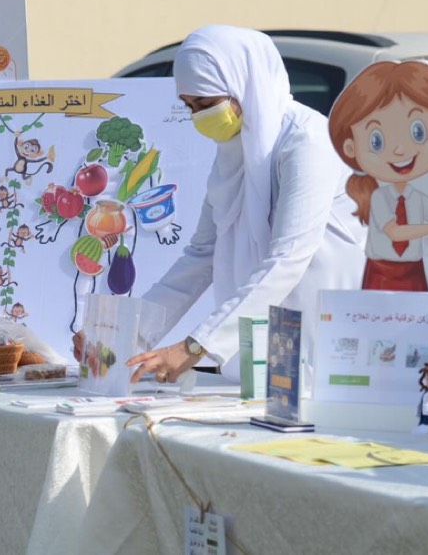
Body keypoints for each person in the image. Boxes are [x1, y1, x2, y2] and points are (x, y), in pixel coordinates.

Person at [97, 24, 366, 384]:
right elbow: (202, 255)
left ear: (244, 84)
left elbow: (289, 256)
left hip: (322, 342)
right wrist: (123, 335)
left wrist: (196, 346)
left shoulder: (307, 142)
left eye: (207, 105)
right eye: (189, 106)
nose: (198, 117)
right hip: (261, 351)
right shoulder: (234, 153)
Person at [328, 60, 428, 292]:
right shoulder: (379, 196)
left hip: (417, 271)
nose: (399, 150)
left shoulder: (420, 193)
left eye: (418, 132)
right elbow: (395, 231)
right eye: (377, 141)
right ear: (350, 148)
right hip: (381, 273)